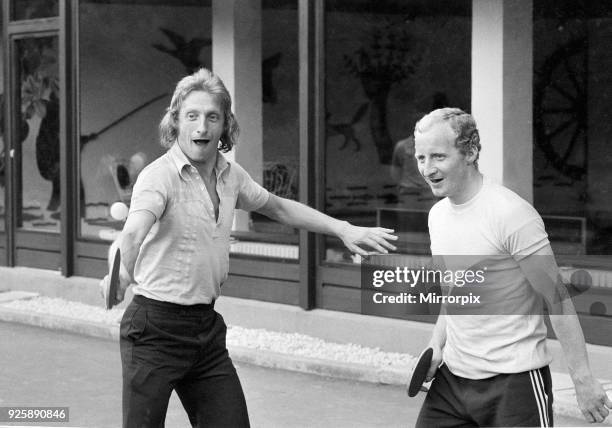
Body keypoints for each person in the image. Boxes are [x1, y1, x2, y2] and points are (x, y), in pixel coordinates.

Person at [100, 68, 397, 428]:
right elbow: (132, 234)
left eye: (212, 117)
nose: (202, 127)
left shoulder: (231, 176)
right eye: (191, 116)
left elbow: (278, 206)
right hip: (154, 329)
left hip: (204, 331)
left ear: (225, 124)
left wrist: (342, 228)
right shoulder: (157, 177)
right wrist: (122, 272)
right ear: (175, 122)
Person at [412, 107, 611, 427]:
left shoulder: (511, 214)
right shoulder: (437, 216)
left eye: (437, 156)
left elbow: (556, 299)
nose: (427, 168)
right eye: (421, 158)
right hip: (451, 383)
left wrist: (583, 380)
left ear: (470, 152)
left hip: (513, 385)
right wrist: (437, 343)